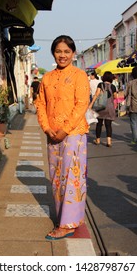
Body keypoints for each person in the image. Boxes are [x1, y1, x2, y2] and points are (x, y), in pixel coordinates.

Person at [36, 35, 90, 240]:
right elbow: (40, 103)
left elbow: (81, 104)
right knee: (57, 179)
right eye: (59, 51)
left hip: (74, 134)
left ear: (73, 53)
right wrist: (46, 127)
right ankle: (68, 217)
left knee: (72, 179)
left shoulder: (79, 76)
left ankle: (67, 225)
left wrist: (64, 130)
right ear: (53, 53)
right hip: (52, 135)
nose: (63, 55)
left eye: (67, 51)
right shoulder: (47, 78)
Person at [89, 71, 117, 147]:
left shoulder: (100, 84)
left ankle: (98, 140)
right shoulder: (113, 86)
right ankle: (109, 141)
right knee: (108, 124)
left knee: (99, 124)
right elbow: (115, 97)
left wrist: (91, 104)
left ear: (104, 77)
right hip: (110, 107)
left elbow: (96, 95)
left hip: (101, 107)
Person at [124, 66, 137, 145]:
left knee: (134, 123)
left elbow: (125, 94)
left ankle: (134, 139)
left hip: (133, 106)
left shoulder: (130, 83)